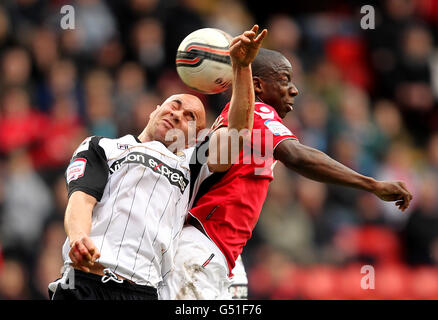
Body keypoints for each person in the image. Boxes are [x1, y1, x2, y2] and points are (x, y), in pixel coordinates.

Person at [159, 48, 413, 300]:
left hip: (215, 251)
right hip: (204, 248)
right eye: (284, 80)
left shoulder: (240, 121)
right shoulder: (256, 112)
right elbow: (297, 156)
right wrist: (372, 184)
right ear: (257, 86)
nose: (294, 89)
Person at [48, 25, 267, 300]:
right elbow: (81, 200)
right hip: (86, 278)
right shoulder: (103, 147)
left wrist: (242, 67)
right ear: (154, 109)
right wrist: (79, 236)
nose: (178, 114)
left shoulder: (193, 163)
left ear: (195, 139)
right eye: (174, 105)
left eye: (190, 117)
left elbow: (237, 135)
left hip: (144, 290)